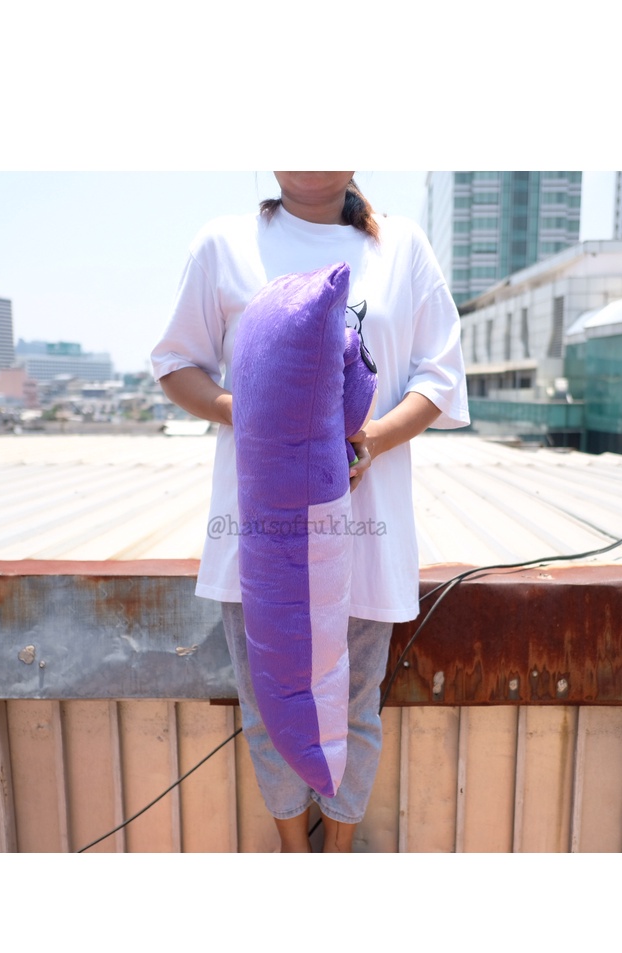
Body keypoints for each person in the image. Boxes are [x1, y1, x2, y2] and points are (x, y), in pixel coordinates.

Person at [152, 172, 469, 852]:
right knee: (269, 708)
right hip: (258, 534)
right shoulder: (223, 243)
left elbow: (440, 377)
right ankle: (295, 853)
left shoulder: (403, 246)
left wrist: (369, 440)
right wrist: (261, 416)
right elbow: (175, 363)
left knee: (355, 710)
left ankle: (338, 853)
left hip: (366, 531)